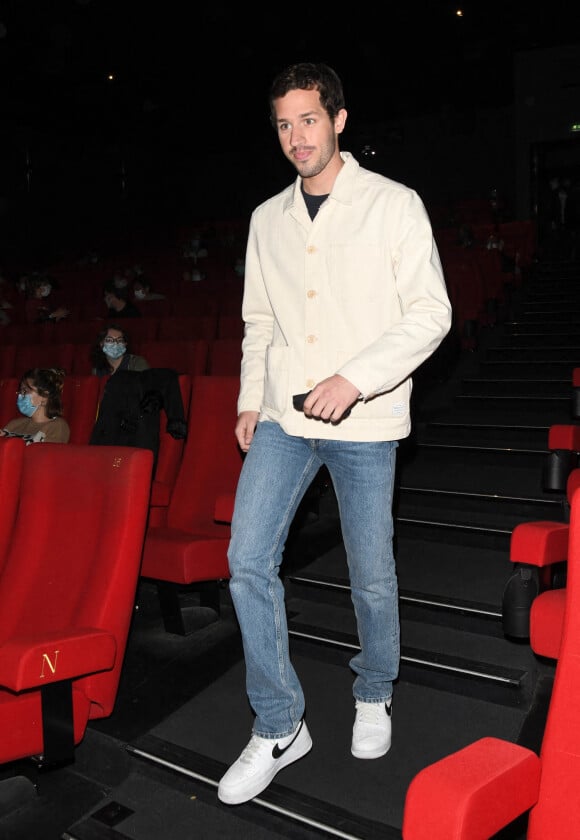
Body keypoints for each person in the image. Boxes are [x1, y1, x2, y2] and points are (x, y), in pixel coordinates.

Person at [217, 62, 452, 806]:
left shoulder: (393, 205)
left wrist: (356, 376)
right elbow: (260, 320)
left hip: (365, 420)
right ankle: (280, 722)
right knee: (245, 559)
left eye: (309, 120)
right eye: (284, 124)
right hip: (285, 417)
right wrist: (250, 399)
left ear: (340, 119)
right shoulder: (266, 220)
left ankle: (375, 688)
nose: (296, 137)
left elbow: (430, 313)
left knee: (370, 570)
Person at [0, 368, 70, 444]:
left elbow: (46, 453)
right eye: (20, 391)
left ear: (44, 397)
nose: (20, 395)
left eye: (25, 391)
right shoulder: (15, 424)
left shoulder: (57, 426)